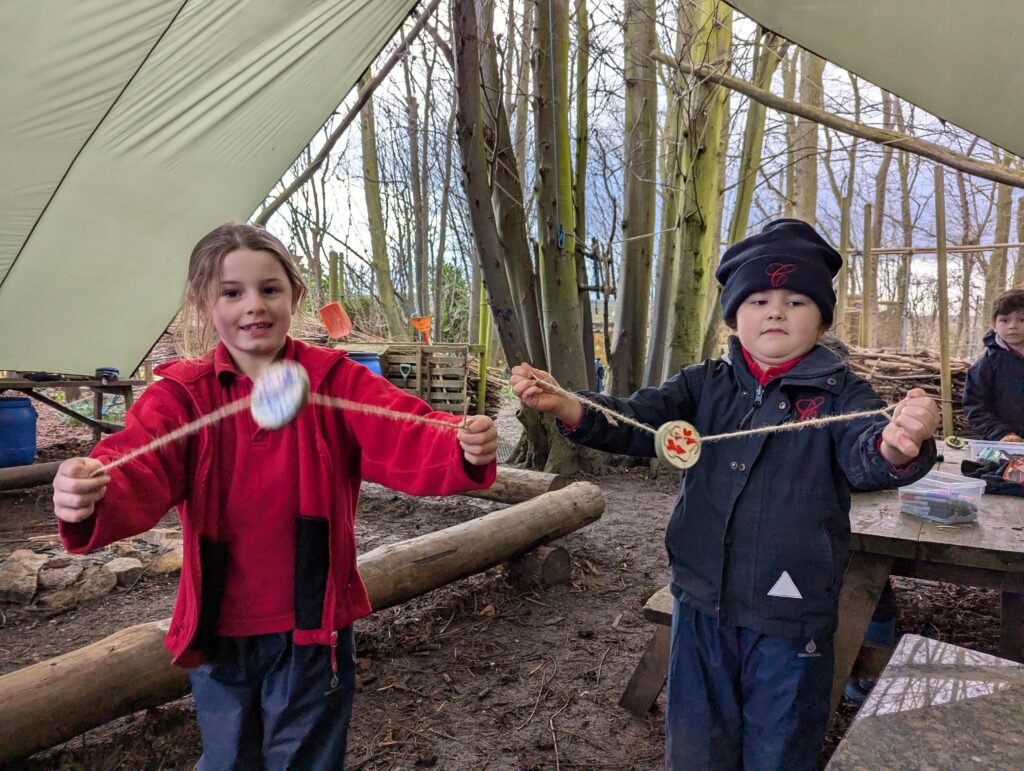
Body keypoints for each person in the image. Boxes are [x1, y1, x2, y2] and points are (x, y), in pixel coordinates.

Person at [52, 223, 498, 769]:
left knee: (305, 758)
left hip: (312, 626)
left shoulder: (333, 379)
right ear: (203, 303)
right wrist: (88, 493)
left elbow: (405, 430)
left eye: (270, 289)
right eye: (232, 292)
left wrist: (462, 445)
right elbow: (138, 462)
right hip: (219, 624)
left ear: (295, 295)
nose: (253, 306)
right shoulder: (182, 395)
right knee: (229, 758)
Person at [512, 219, 938, 769]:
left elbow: (866, 453)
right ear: (735, 316)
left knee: (780, 745)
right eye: (759, 299)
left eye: (797, 301)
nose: (776, 311)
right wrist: (571, 406)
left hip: (792, 611)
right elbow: (637, 421)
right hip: (700, 598)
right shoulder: (702, 383)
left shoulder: (842, 394)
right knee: (697, 741)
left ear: (822, 319)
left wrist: (898, 447)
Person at [963, 288, 1024, 442]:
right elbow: (976, 408)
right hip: (1004, 444)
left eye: (1022, 319)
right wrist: (1002, 434)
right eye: (1005, 320)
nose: (1013, 326)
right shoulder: (985, 365)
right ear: (994, 324)